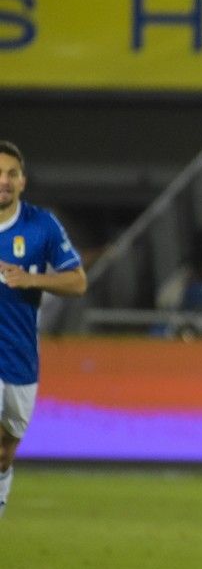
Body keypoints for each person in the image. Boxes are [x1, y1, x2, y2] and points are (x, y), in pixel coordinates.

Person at [0, 141, 86, 518]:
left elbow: (78, 282)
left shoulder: (41, 225)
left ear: (23, 181)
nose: (3, 181)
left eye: (11, 174)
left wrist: (31, 280)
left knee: (4, 452)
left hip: (19, 357)